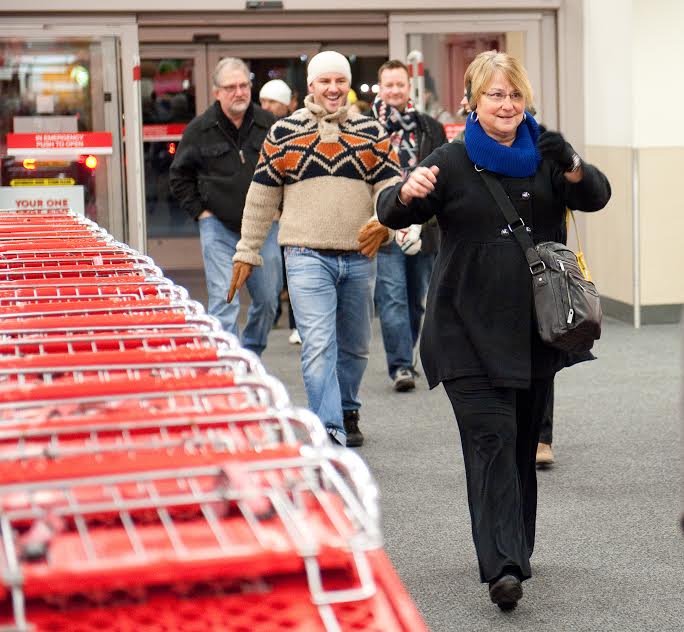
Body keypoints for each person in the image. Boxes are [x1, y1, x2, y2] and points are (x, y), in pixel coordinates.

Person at [376, 50, 611, 610]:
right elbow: (393, 210)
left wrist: (574, 165)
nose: (506, 105)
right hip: (464, 330)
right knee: (490, 441)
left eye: (514, 95)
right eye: (494, 95)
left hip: (534, 333)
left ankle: (516, 547)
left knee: (521, 445)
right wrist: (404, 193)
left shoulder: (549, 154)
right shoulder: (452, 160)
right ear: (473, 103)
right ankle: (502, 567)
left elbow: (595, 195)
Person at [228, 50, 402, 447]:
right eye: (325, 81)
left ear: (348, 85)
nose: (333, 88)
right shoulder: (283, 133)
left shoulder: (372, 132)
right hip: (305, 256)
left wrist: (386, 224)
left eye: (340, 81)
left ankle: (348, 406)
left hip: (359, 256)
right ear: (310, 86)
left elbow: (391, 188)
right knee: (319, 344)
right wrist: (247, 251)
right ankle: (330, 427)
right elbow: (261, 198)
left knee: (356, 346)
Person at [169, 58, 282, 356]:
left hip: (263, 228)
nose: (239, 92)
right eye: (231, 87)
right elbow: (179, 177)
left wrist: (281, 209)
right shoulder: (200, 130)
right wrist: (201, 213)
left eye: (244, 85)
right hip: (218, 227)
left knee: (269, 299)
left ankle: (252, 352)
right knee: (224, 299)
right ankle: (230, 363)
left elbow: (289, 169)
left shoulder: (269, 124)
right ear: (217, 92)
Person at [371, 59, 447, 392]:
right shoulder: (366, 128)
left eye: (400, 84)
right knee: (392, 298)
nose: (395, 90)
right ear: (380, 87)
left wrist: (425, 220)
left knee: (417, 299)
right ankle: (401, 365)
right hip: (385, 227)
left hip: (424, 227)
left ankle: (407, 354)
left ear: (408, 86)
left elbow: (444, 177)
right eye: (388, 85)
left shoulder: (430, 126)